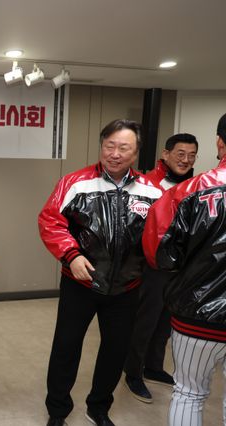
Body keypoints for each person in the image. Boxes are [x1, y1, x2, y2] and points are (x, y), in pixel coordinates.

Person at [38, 119, 162, 426]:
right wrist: (71, 255)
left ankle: (98, 407)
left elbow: (162, 234)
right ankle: (57, 411)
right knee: (66, 347)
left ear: (136, 153)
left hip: (127, 287)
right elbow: (50, 221)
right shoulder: (75, 182)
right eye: (110, 146)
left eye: (124, 148)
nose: (115, 154)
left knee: (115, 350)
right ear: (101, 146)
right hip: (80, 283)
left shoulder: (152, 191)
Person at [143, 113, 226, 426]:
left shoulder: (188, 191)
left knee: (189, 393)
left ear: (220, 142)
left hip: (197, 314)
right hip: (197, 312)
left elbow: (159, 252)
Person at [123, 133, 199, 403]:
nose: (186, 160)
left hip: (180, 266)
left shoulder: (196, 185)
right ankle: (133, 372)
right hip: (151, 265)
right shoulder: (147, 184)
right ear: (165, 155)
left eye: (192, 155)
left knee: (166, 321)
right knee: (145, 320)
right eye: (180, 154)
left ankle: (153, 367)